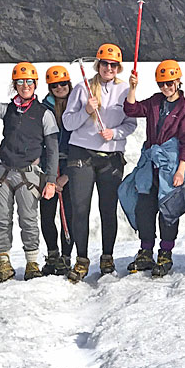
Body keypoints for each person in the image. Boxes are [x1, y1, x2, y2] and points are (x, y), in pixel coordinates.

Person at [0, 62, 59, 282]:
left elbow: (53, 149)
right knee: (2, 219)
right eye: (20, 82)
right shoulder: (7, 109)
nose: (25, 85)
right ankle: (4, 262)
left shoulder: (44, 114)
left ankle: (32, 262)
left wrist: (51, 180)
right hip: (3, 172)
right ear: (14, 84)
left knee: (28, 218)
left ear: (35, 84)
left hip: (29, 173)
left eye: (29, 81)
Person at [61, 44, 137, 282]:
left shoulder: (125, 90)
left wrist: (114, 134)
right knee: (80, 209)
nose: (109, 68)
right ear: (98, 65)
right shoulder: (83, 89)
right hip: (81, 154)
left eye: (114, 65)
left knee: (108, 209)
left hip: (111, 158)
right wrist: (86, 110)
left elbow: (131, 124)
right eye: (105, 64)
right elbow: (68, 122)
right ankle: (81, 259)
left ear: (119, 67)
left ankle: (107, 257)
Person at [120, 60, 185, 275]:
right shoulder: (155, 102)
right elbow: (132, 109)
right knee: (145, 206)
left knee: (168, 209)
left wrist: (181, 170)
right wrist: (133, 87)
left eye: (170, 83)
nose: (166, 88)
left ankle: (165, 252)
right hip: (150, 165)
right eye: (162, 83)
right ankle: (145, 251)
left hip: (171, 165)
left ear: (178, 82)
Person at [40, 65, 75, 276]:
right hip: (47, 165)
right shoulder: (43, 108)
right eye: (54, 85)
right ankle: (52, 253)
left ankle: (66, 256)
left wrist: (67, 174)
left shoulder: (78, 105)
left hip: (72, 165)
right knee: (46, 214)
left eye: (63, 83)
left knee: (68, 214)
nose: (59, 87)